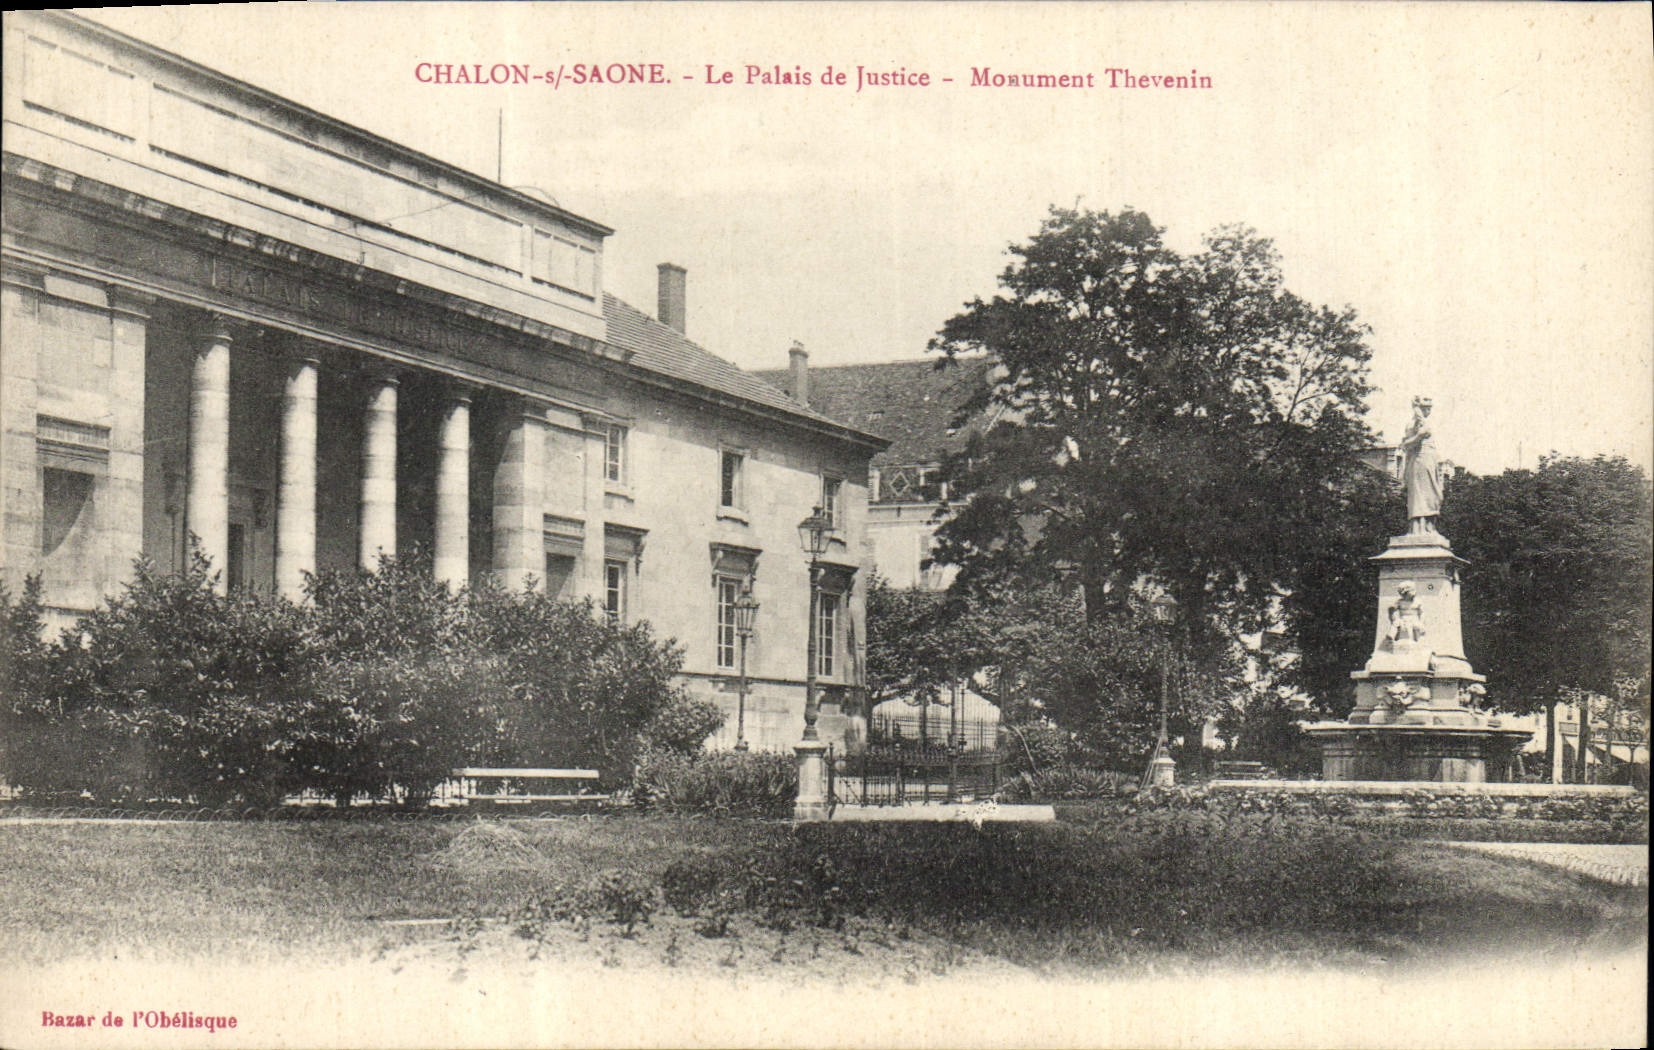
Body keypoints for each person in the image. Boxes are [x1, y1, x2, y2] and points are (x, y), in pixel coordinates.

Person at [1400, 396, 1442, 533]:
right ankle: (1419, 526)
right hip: (1419, 460)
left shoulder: (1426, 423)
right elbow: (1405, 445)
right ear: (1420, 408)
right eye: (1426, 407)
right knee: (1420, 494)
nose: (1429, 410)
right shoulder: (1412, 424)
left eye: (1430, 407)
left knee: (1435, 495)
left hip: (1430, 461)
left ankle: (1430, 525)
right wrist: (1419, 436)